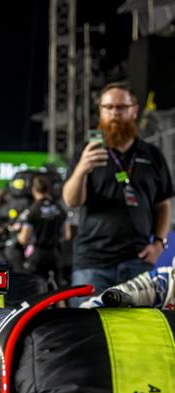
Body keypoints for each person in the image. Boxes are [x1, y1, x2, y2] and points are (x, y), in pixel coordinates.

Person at [63, 82, 173, 302]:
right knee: (88, 330)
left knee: (139, 330)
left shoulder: (151, 154)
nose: (114, 113)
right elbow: (72, 201)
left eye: (121, 107)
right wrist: (82, 169)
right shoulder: (87, 150)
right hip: (93, 261)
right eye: (108, 107)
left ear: (134, 110)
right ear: (100, 112)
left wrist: (159, 243)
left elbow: (162, 204)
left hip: (138, 259)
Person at [17, 176, 70, 286]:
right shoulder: (59, 208)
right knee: (58, 291)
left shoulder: (32, 210)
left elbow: (23, 239)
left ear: (33, 189)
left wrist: (16, 235)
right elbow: (67, 235)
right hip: (56, 254)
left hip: (38, 255)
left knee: (37, 289)